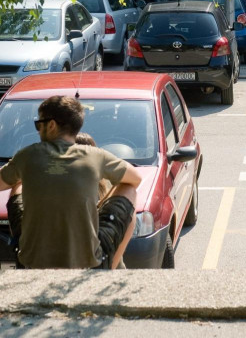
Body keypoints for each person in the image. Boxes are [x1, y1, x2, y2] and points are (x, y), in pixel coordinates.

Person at [0, 96, 141, 269]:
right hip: (88, 261)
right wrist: (99, 208)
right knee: (129, 189)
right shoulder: (96, 155)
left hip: (32, 261)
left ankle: (24, 245)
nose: (37, 130)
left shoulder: (26, 156)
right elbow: (136, 179)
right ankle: (111, 266)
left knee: (17, 186)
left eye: (38, 124)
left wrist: (32, 173)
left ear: (51, 125)